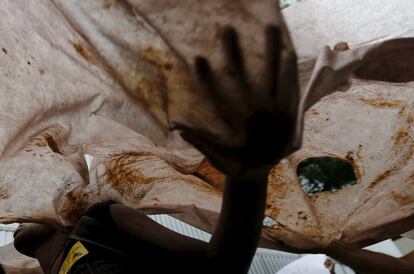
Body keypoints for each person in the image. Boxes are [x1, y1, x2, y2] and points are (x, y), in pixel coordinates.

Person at [14, 24, 301, 274]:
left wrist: (249, 168)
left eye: (25, 211)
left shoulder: (99, 221)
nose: (16, 220)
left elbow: (221, 265)